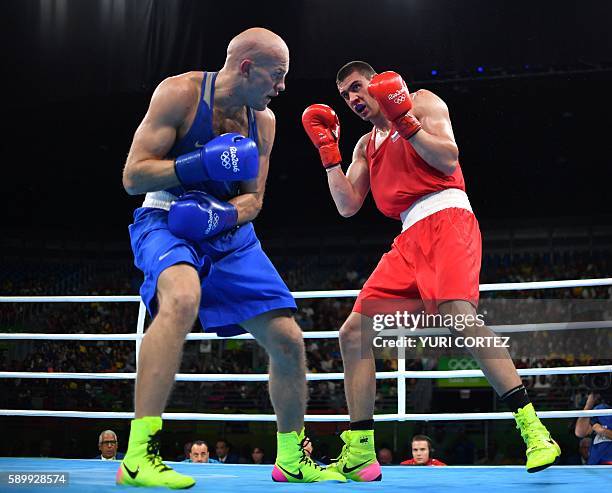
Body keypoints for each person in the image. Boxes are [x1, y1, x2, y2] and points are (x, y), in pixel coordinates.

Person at [302, 60, 561, 481]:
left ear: (376, 83)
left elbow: (447, 159)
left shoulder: (422, 102)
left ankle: (534, 430)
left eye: (356, 87)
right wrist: (328, 154)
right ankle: (360, 450)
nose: (351, 99)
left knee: (458, 317)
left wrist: (405, 121)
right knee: (353, 332)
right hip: (407, 237)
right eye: (344, 95)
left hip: (447, 216)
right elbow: (347, 205)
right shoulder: (364, 146)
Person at [117, 27, 345, 488]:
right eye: (276, 76)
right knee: (181, 298)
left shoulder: (266, 122)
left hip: (228, 228)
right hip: (165, 215)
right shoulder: (179, 94)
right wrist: (197, 165)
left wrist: (218, 215)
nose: (281, 87)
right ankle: (138, 456)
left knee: (288, 340)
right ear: (247, 67)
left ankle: (291, 458)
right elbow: (133, 176)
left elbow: (254, 199)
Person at [575, 392, 612, 464]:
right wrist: (588, 406)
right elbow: (580, 432)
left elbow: (600, 430)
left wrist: (602, 431)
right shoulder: (600, 409)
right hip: (595, 464)